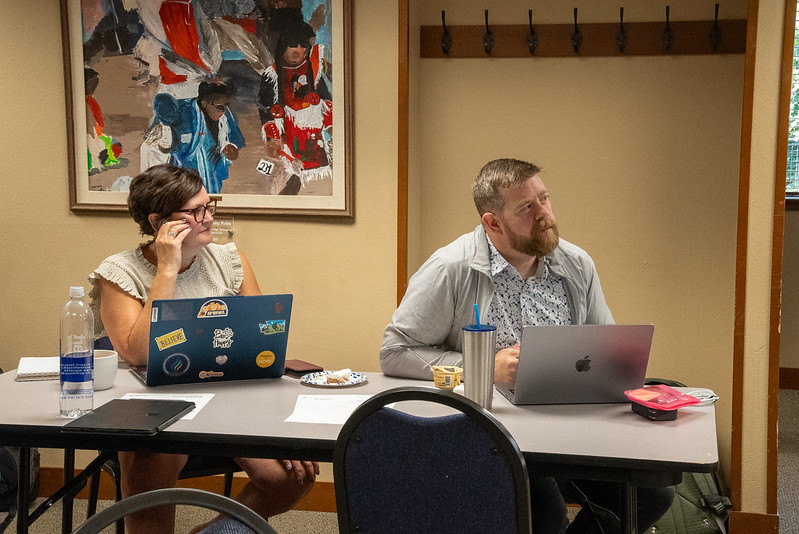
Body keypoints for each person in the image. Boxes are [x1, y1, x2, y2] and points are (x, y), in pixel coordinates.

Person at [380, 158, 673, 534]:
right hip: (490, 432)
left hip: (569, 425)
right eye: (527, 208)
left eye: (545, 199)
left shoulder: (575, 264)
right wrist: (484, 367)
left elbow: (607, 348)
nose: (544, 214)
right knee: (545, 512)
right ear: (493, 223)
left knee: (652, 492)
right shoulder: (450, 268)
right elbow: (395, 351)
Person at [89, 164, 317, 534]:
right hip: (156, 409)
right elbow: (139, 353)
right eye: (196, 211)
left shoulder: (229, 261)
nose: (208, 217)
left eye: (209, 206)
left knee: (291, 476)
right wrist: (167, 269)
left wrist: (278, 426)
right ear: (159, 222)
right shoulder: (119, 272)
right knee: (152, 473)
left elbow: (261, 342)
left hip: (230, 401)